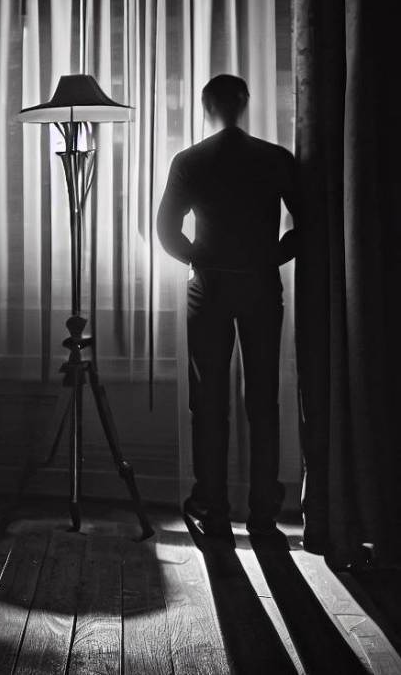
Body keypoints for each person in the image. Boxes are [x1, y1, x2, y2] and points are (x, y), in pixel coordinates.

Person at [156, 74, 297, 543]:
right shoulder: (274, 158)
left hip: (210, 288)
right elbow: (307, 223)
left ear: (205, 106)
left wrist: (197, 257)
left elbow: (166, 229)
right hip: (260, 286)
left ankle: (213, 507)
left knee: (209, 400)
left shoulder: (191, 160)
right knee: (263, 399)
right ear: (244, 104)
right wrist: (270, 255)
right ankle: (262, 514)